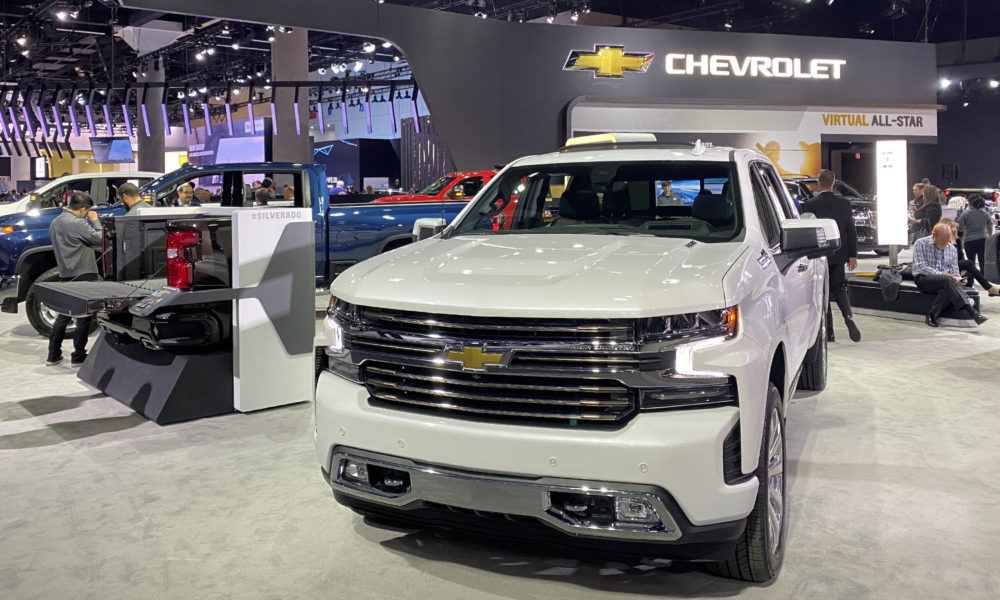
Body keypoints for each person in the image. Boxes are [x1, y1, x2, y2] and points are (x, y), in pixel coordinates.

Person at [802, 169, 861, 342]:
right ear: (833, 183)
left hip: (819, 254)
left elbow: (808, 231)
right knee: (840, 288)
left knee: (822, 291)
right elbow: (851, 231)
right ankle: (848, 317)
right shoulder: (844, 203)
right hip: (839, 251)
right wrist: (853, 255)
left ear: (819, 184)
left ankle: (830, 332)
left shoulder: (811, 204)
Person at [47, 193, 102, 366]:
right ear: (83, 209)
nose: (87, 214)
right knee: (84, 317)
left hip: (65, 273)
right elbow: (99, 239)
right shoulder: (77, 223)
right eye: (87, 212)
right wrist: (95, 221)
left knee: (63, 316)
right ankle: (78, 356)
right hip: (84, 273)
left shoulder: (55, 223)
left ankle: (53, 355)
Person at [912, 223, 988, 327]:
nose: (945, 242)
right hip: (923, 278)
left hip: (945, 281)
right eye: (942, 239)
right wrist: (944, 274)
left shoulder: (951, 249)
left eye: (947, 239)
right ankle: (971, 312)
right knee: (946, 280)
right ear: (934, 235)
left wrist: (958, 279)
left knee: (946, 288)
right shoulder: (920, 243)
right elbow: (921, 266)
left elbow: (954, 270)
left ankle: (932, 315)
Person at [939, 217, 1000, 296]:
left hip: (956, 265)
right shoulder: (941, 241)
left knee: (969, 274)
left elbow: (961, 256)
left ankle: (967, 296)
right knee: (969, 263)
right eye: (951, 227)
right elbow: (947, 258)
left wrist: (964, 268)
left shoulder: (957, 239)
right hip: (945, 266)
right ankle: (989, 288)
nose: (954, 229)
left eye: (955, 227)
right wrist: (952, 243)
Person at [957, 194, 993, 274]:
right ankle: (984, 279)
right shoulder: (985, 213)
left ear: (970, 203)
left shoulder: (966, 213)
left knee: (971, 262)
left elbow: (961, 228)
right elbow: (990, 226)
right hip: (983, 239)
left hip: (969, 240)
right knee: (982, 261)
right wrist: (989, 236)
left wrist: (960, 233)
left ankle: (971, 279)